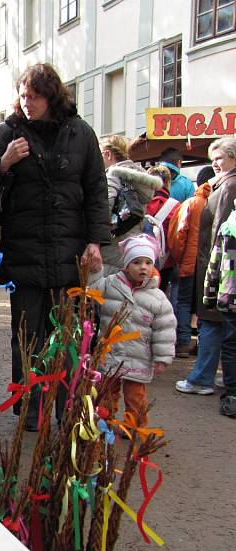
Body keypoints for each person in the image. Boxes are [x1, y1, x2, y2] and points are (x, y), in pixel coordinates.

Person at [0, 63, 109, 430]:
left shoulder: (81, 133)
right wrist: (5, 162)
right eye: (22, 96)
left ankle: (66, 409)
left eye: (34, 96)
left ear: (51, 96)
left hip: (70, 256)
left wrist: (96, 241)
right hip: (24, 255)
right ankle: (31, 413)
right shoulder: (9, 131)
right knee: (27, 337)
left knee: (67, 338)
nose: (27, 103)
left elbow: (96, 191)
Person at [89, 234, 176, 427]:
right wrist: (95, 272)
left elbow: (165, 330)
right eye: (137, 262)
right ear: (126, 265)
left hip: (139, 358)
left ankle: (135, 426)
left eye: (147, 263)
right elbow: (93, 290)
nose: (143, 267)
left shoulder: (158, 298)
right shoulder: (111, 284)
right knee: (105, 392)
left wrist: (163, 358)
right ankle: (104, 423)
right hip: (111, 355)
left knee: (135, 396)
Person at [176, 137, 236, 395]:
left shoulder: (228, 186)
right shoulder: (222, 185)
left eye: (220, 157)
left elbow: (218, 233)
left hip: (220, 267)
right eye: (213, 158)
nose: (215, 163)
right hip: (221, 265)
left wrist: (211, 272)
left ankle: (202, 378)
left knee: (212, 322)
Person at [167, 166, 215, 357]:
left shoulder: (193, 203)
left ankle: (184, 342)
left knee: (184, 302)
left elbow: (179, 235)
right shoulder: (223, 200)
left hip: (190, 260)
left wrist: (178, 258)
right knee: (207, 303)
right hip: (214, 263)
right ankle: (203, 344)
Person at [99, 135, 162, 274]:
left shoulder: (112, 175)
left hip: (110, 250)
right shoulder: (139, 177)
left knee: (109, 292)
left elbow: (103, 210)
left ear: (108, 154)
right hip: (132, 247)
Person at [203, 197, 236, 417]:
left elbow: (215, 263)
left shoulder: (229, 225)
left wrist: (209, 296)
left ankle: (233, 396)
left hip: (231, 295)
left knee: (232, 346)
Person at [145, 165, 180, 298]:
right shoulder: (176, 206)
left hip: (138, 258)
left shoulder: (140, 202)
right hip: (165, 262)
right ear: (168, 183)